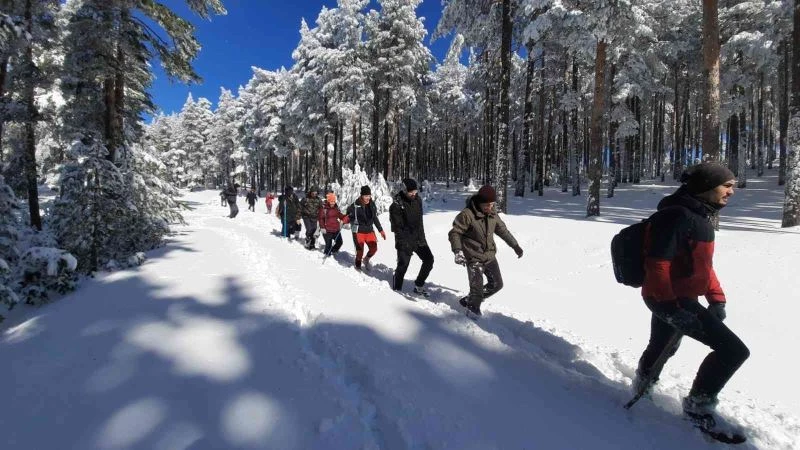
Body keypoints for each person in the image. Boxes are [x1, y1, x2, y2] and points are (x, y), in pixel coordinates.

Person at [633, 162, 749, 429]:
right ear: (706, 187)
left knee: (663, 345)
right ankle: (698, 407)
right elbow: (657, 264)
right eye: (727, 185)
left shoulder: (698, 216)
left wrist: (716, 298)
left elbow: (701, 265)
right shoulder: (678, 217)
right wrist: (672, 309)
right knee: (733, 351)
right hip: (669, 298)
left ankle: (642, 383)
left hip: (676, 297)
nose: (733, 191)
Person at [448, 185, 523, 316]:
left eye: (492, 204)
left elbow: (502, 231)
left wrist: (515, 246)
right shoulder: (467, 215)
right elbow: (454, 233)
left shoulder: (492, 213)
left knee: (497, 285)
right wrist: (457, 251)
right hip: (473, 256)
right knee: (477, 291)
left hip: (489, 255)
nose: (490, 208)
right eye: (487, 205)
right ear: (479, 203)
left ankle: (469, 300)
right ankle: (472, 315)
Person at [389, 178, 434, 297]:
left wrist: (422, 238)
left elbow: (420, 222)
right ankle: (397, 290)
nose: (414, 194)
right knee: (403, 266)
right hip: (404, 240)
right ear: (404, 191)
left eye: (415, 192)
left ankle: (419, 285)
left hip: (418, 238)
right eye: (411, 192)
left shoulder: (417, 200)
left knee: (429, 260)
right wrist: (405, 243)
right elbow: (397, 228)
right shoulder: (396, 205)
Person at [345, 186, 385, 271]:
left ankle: (366, 259)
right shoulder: (356, 205)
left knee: (374, 248)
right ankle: (358, 267)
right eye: (366, 196)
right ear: (361, 195)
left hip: (369, 230)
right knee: (360, 251)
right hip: (359, 231)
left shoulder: (372, 204)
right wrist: (347, 217)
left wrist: (380, 230)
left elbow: (374, 217)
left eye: (369, 196)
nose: (368, 198)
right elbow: (349, 214)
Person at [318, 191, 347, 255]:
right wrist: (322, 227)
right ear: (328, 201)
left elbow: (340, 215)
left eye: (334, 201)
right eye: (331, 201)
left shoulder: (336, 208)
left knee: (339, 242)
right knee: (328, 245)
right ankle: (327, 254)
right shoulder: (324, 208)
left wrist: (345, 217)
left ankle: (333, 250)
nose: (333, 203)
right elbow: (321, 219)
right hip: (327, 230)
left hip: (336, 229)